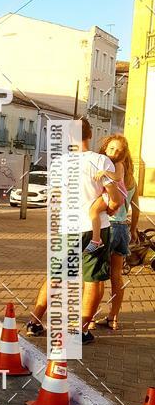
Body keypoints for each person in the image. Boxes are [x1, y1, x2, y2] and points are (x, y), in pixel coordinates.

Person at [26, 117, 123, 345]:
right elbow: (117, 200)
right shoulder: (101, 161)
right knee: (92, 280)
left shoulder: (60, 163)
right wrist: (104, 209)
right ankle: (79, 331)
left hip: (67, 228)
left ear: (70, 137)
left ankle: (34, 321)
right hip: (95, 228)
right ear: (90, 136)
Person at [91, 134, 140, 330]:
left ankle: (91, 318)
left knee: (98, 276)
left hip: (106, 226)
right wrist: (134, 229)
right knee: (117, 276)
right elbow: (135, 208)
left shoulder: (106, 174)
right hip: (122, 229)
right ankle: (113, 318)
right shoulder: (131, 179)